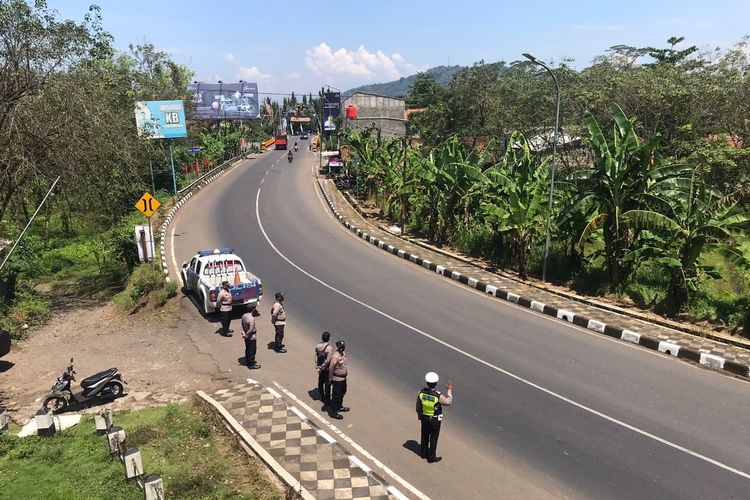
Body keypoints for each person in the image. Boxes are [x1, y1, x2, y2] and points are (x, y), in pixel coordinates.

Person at [416, 372, 453, 463]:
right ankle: (431, 457)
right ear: (436, 383)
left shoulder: (421, 392)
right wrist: (449, 390)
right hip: (435, 420)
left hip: (424, 418)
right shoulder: (438, 395)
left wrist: (419, 415)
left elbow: (418, 406)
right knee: (433, 437)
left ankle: (423, 453)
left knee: (424, 435)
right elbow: (448, 402)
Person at [328, 339, 348, 419]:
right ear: (338, 347)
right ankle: (333, 412)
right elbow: (331, 368)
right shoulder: (335, 357)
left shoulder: (343, 354)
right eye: (341, 347)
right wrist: (330, 379)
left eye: (343, 346)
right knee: (336, 396)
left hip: (343, 379)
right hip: (337, 380)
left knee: (342, 393)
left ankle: (339, 407)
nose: (342, 348)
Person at [314, 331, 334, 405]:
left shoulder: (317, 346)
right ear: (329, 338)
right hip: (326, 369)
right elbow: (328, 360)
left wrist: (318, 366)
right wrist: (322, 367)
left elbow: (315, 357)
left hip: (320, 367)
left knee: (320, 382)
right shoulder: (329, 348)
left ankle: (322, 396)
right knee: (327, 383)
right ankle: (327, 399)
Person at [241, 303, 261, 369]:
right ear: (253, 309)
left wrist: (243, 333)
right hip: (251, 337)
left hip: (246, 336)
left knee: (248, 349)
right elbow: (251, 329)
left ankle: (248, 361)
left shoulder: (244, 315)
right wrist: (247, 335)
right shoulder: (251, 318)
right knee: (252, 350)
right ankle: (251, 364)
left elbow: (242, 325)